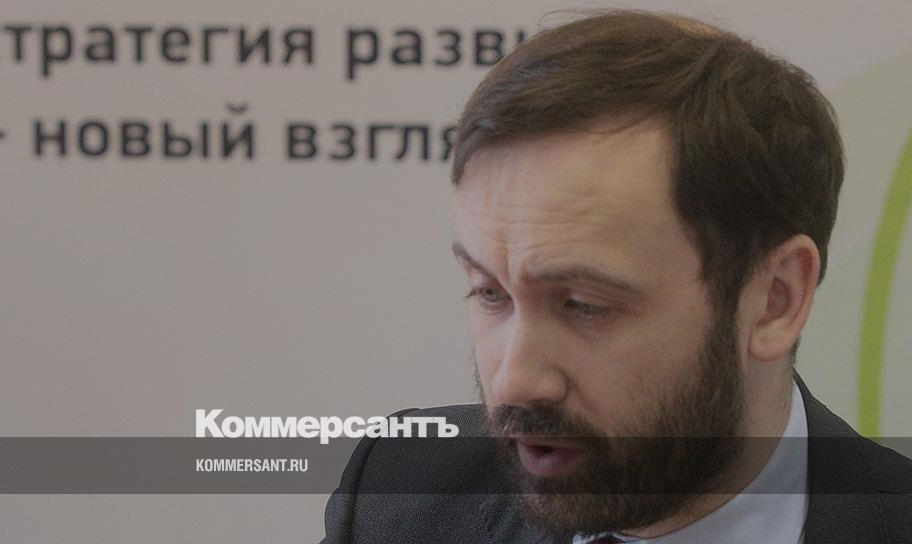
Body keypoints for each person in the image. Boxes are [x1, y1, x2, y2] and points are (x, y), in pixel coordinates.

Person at [321, 9, 912, 543]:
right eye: (489, 293)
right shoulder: (405, 487)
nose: (516, 383)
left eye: (584, 305)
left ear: (774, 300)